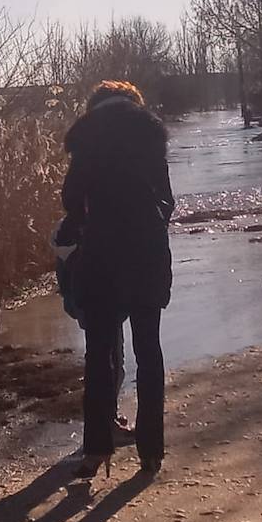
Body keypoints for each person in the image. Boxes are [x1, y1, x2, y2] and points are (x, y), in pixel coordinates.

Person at [61, 80, 175, 478]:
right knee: (149, 351)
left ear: (95, 106)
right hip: (146, 253)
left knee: (99, 353)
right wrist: (151, 225)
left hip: (102, 256)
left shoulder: (86, 135)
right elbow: (167, 201)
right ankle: (151, 452)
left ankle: (95, 451)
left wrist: (86, 229)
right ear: (134, 100)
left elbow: (71, 199)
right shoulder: (150, 133)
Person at [51, 217, 135, 449]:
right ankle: (107, 424)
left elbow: (63, 277)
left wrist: (71, 304)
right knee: (113, 363)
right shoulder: (97, 226)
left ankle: (106, 419)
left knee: (101, 361)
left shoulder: (64, 229)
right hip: (102, 304)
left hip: (81, 304)